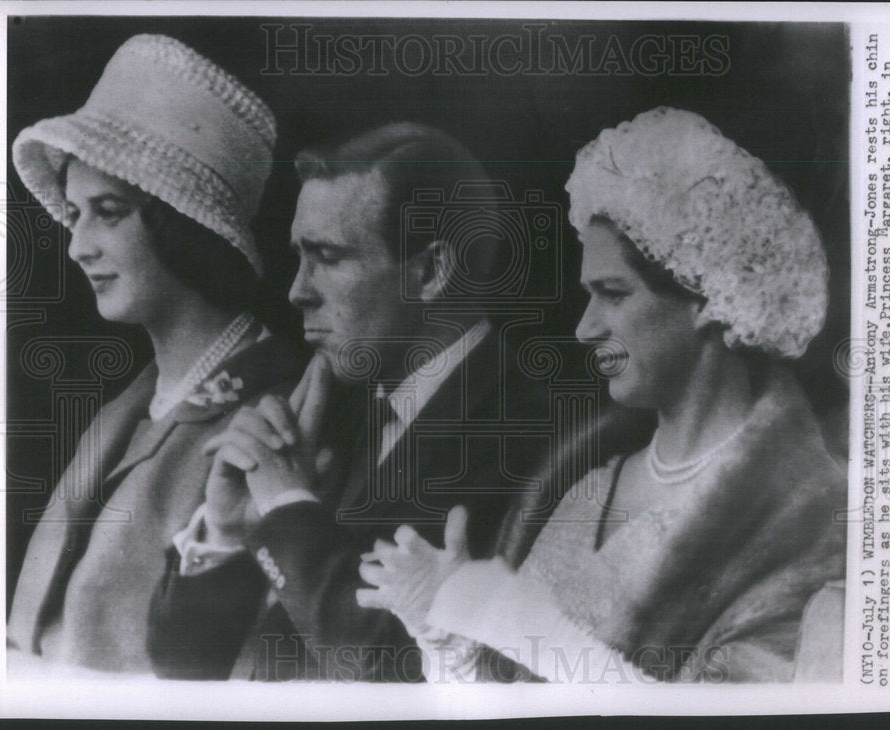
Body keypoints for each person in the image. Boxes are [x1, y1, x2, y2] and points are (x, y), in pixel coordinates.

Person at [357, 107, 847, 683]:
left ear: (712, 298)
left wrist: (506, 614)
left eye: (613, 293)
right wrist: (448, 643)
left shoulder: (811, 519)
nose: (584, 328)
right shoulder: (586, 484)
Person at [146, 122, 553, 681]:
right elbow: (180, 663)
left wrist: (288, 506)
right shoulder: (330, 407)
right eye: (298, 256)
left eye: (328, 257)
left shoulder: (531, 433)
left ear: (431, 271)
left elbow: (400, 674)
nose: (297, 291)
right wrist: (226, 530)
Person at [6, 34, 303, 673]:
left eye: (107, 213)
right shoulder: (126, 409)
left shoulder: (277, 412)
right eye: (77, 214)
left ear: (181, 226)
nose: (77, 246)